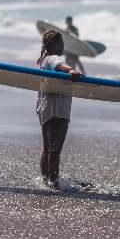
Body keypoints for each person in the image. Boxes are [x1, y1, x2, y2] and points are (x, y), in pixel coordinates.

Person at [36, 29, 81, 190]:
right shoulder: (53, 58)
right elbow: (59, 64)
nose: (63, 46)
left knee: (47, 148)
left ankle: (46, 180)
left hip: (45, 108)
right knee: (55, 150)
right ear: (55, 45)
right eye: (61, 43)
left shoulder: (43, 60)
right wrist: (70, 70)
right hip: (57, 110)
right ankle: (54, 184)